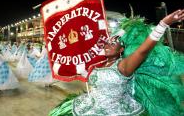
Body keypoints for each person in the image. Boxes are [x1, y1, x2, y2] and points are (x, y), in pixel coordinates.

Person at [49, 9, 184, 116]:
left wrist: (163, 24)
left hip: (116, 111)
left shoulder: (123, 66)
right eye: (107, 42)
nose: (108, 45)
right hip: (89, 106)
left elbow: (142, 52)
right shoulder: (98, 64)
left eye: (114, 43)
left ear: (122, 49)